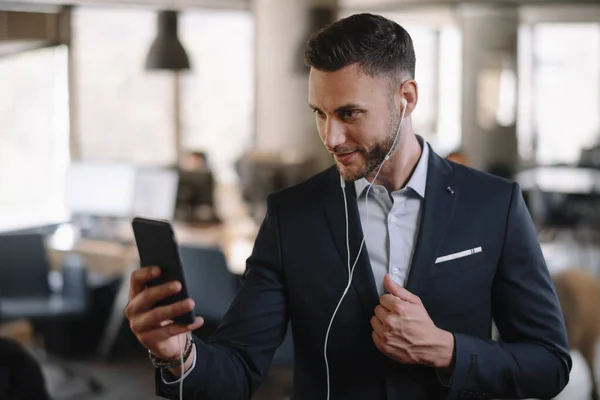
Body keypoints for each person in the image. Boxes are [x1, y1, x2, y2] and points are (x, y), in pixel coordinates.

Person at [125, 13, 571, 400]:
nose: (330, 138)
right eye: (319, 113)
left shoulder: (494, 204)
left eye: (349, 114)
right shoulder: (290, 216)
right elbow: (238, 371)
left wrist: (446, 349)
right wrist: (178, 353)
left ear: (407, 98)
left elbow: (550, 364)